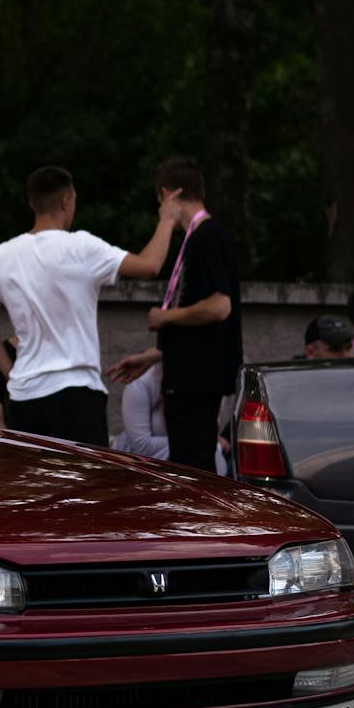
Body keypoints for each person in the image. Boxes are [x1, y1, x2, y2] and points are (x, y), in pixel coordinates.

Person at [0, 165, 179, 446]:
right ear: (66, 201)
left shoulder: (3, 254)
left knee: (36, 486)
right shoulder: (81, 247)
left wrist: (13, 374)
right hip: (77, 395)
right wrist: (167, 220)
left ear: (32, 203)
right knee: (86, 488)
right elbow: (150, 265)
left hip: (24, 397)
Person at [106, 158, 241, 472]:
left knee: (192, 472)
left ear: (167, 195)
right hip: (190, 381)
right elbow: (200, 326)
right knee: (190, 469)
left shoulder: (206, 236)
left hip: (195, 384)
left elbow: (219, 306)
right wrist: (154, 355)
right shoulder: (202, 238)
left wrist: (166, 318)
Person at [112, 363, 229, 474]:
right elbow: (142, 446)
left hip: (190, 466)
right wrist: (205, 442)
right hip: (138, 468)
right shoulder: (141, 384)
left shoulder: (212, 385)